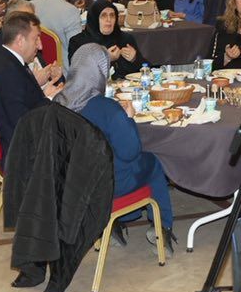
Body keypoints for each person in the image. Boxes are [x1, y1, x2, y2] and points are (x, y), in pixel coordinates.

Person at [59, 44, 174, 241]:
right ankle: (162, 228)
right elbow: (130, 151)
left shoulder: (59, 101)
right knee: (152, 162)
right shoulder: (107, 109)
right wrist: (128, 118)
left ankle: (117, 222)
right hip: (107, 184)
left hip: (72, 182)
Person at [0, 15, 60, 148]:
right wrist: (49, 98)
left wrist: (45, 94)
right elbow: (23, 123)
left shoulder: (7, 60)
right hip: (24, 149)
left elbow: (24, 102)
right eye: (36, 39)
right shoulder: (8, 73)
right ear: (20, 41)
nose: (40, 46)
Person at [70, 1, 145, 79]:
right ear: (94, 18)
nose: (109, 20)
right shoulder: (78, 41)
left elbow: (146, 70)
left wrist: (134, 59)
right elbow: (77, 74)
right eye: (103, 16)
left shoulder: (125, 39)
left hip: (126, 85)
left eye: (112, 15)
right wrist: (105, 59)